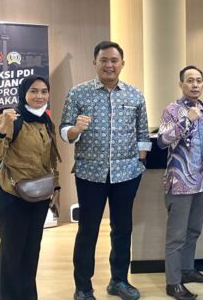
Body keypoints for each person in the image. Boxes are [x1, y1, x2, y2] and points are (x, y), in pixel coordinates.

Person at [61, 41, 151, 300]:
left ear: (122, 64)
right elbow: (64, 130)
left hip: (127, 174)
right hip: (90, 174)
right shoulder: (78, 93)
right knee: (87, 230)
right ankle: (83, 287)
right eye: (104, 60)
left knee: (122, 229)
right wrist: (75, 130)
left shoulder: (134, 95)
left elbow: (142, 133)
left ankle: (119, 281)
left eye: (114, 60)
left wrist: (140, 163)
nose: (109, 65)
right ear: (95, 63)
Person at [0, 75, 61, 300]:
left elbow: (51, 159)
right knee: (11, 255)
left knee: (31, 253)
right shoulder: (9, 118)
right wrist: (2, 128)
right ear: (23, 93)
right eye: (33, 91)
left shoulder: (46, 121)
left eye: (44, 91)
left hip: (39, 196)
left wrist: (56, 188)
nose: (39, 96)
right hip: (10, 195)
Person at [158, 65, 203, 300]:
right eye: (190, 80)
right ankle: (173, 283)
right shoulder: (172, 109)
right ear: (181, 83)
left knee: (193, 230)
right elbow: (162, 141)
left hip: (202, 180)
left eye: (199, 80)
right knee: (176, 236)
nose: (195, 84)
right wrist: (186, 121)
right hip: (180, 182)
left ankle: (187, 270)